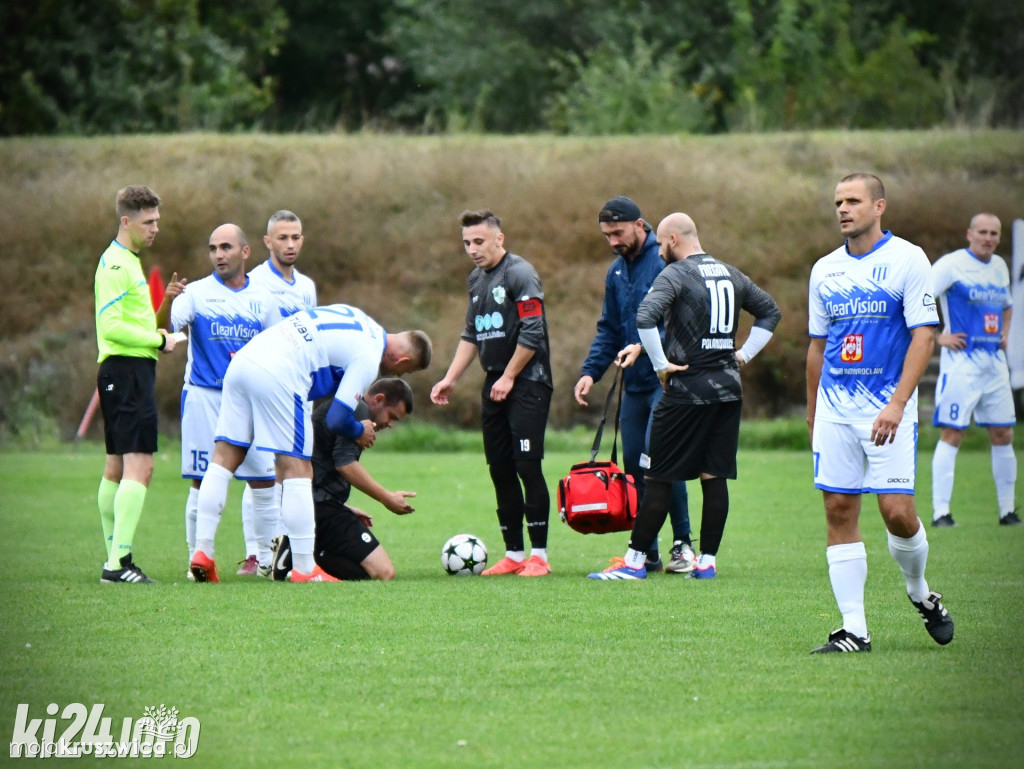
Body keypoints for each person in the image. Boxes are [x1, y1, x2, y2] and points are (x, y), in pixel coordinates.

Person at [587, 212, 781, 582]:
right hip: (727, 390)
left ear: (673, 239)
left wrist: (661, 365)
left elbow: (645, 317)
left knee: (657, 476)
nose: (659, 251)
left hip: (686, 390)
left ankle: (634, 562)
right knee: (714, 476)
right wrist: (742, 355)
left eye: (661, 243)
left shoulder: (675, 274)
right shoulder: (731, 273)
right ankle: (705, 562)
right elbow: (770, 311)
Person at [806, 173, 954, 653]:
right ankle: (854, 629)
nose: (843, 210)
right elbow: (816, 347)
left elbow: (924, 336)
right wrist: (813, 415)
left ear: (880, 206)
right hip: (834, 409)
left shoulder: (908, 259)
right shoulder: (824, 269)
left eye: (853, 201)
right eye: (837, 202)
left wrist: (897, 404)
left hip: (887, 409)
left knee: (897, 513)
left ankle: (919, 592)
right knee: (838, 508)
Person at [190, 304, 431, 583]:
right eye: (405, 372)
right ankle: (305, 569)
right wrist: (358, 430)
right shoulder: (369, 353)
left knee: (223, 459)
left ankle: (203, 552)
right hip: (281, 372)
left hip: (245, 360)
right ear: (402, 362)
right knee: (298, 470)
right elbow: (338, 417)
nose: (399, 376)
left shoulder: (357, 317)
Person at [430, 209, 554, 577]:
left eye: (479, 241)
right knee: (500, 468)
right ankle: (514, 554)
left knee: (527, 466)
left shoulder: (520, 273)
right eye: (467, 242)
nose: (472, 249)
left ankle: (540, 556)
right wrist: (451, 377)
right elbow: (472, 333)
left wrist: (510, 376)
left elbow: (533, 332)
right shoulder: (476, 280)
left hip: (528, 380)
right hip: (495, 382)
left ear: (499, 239)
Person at [574, 196, 694, 573]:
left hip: (666, 378)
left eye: (618, 232)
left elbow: (676, 320)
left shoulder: (664, 262)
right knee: (632, 466)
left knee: (661, 460)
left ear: (640, 225)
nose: (612, 241)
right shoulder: (616, 272)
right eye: (607, 235)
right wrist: (590, 372)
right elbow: (609, 328)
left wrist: (643, 347)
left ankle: (683, 545)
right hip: (634, 386)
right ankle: (648, 551)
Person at [160, 224, 280, 581]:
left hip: (251, 401)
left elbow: (276, 349)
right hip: (204, 397)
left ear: (245, 252)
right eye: (213, 248)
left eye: (226, 247)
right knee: (200, 479)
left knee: (263, 480)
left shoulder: (264, 299)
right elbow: (166, 331)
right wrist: (167, 300)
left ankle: (263, 559)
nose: (218, 254)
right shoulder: (194, 293)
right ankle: (197, 557)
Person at [93, 184, 181, 584]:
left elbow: (132, 323)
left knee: (115, 467)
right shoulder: (115, 264)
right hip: (126, 372)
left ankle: (114, 555)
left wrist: (158, 333)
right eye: (148, 222)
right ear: (125, 221)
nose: (155, 229)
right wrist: (160, 339)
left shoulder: (126, 260)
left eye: (158, 221)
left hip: (124, 371)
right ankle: (118, 564)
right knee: (139, 466)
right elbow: (111, 328)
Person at [237, 209, 319, 574]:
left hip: (298, 388)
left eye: (295, 237)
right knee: (260, 471)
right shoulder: (253, 282)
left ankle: (281, 551)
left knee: (291, 471)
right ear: (267, 241)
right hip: (264, 386)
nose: (290, 244)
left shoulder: (306, 287)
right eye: (282, 238)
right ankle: (256, 554)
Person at [273, 378, 417, 581]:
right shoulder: (359, 412)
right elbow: (345, 464)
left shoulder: (346, 405)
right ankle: (298, 561)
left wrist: (345, 508)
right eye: (392, 416)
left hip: (312, 504)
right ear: (378, 399)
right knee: (383, 572)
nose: (391, 424)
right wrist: (387, 498)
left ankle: (298, 558)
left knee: (365, 569)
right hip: (322, 509)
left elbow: (321, 467)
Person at [930, 213, 1018, 527]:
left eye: (994, 233)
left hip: (994, 366)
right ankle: (941, 513)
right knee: (953, 433)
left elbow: (1006, 305)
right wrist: (938, 336)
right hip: (961, 366)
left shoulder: (999, 267)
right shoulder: (950, 265)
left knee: (1003, 433)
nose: (989, 238)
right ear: (969, 233)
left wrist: (1005, 332)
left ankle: (1007, 511)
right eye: (982, 232)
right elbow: (919, 299)